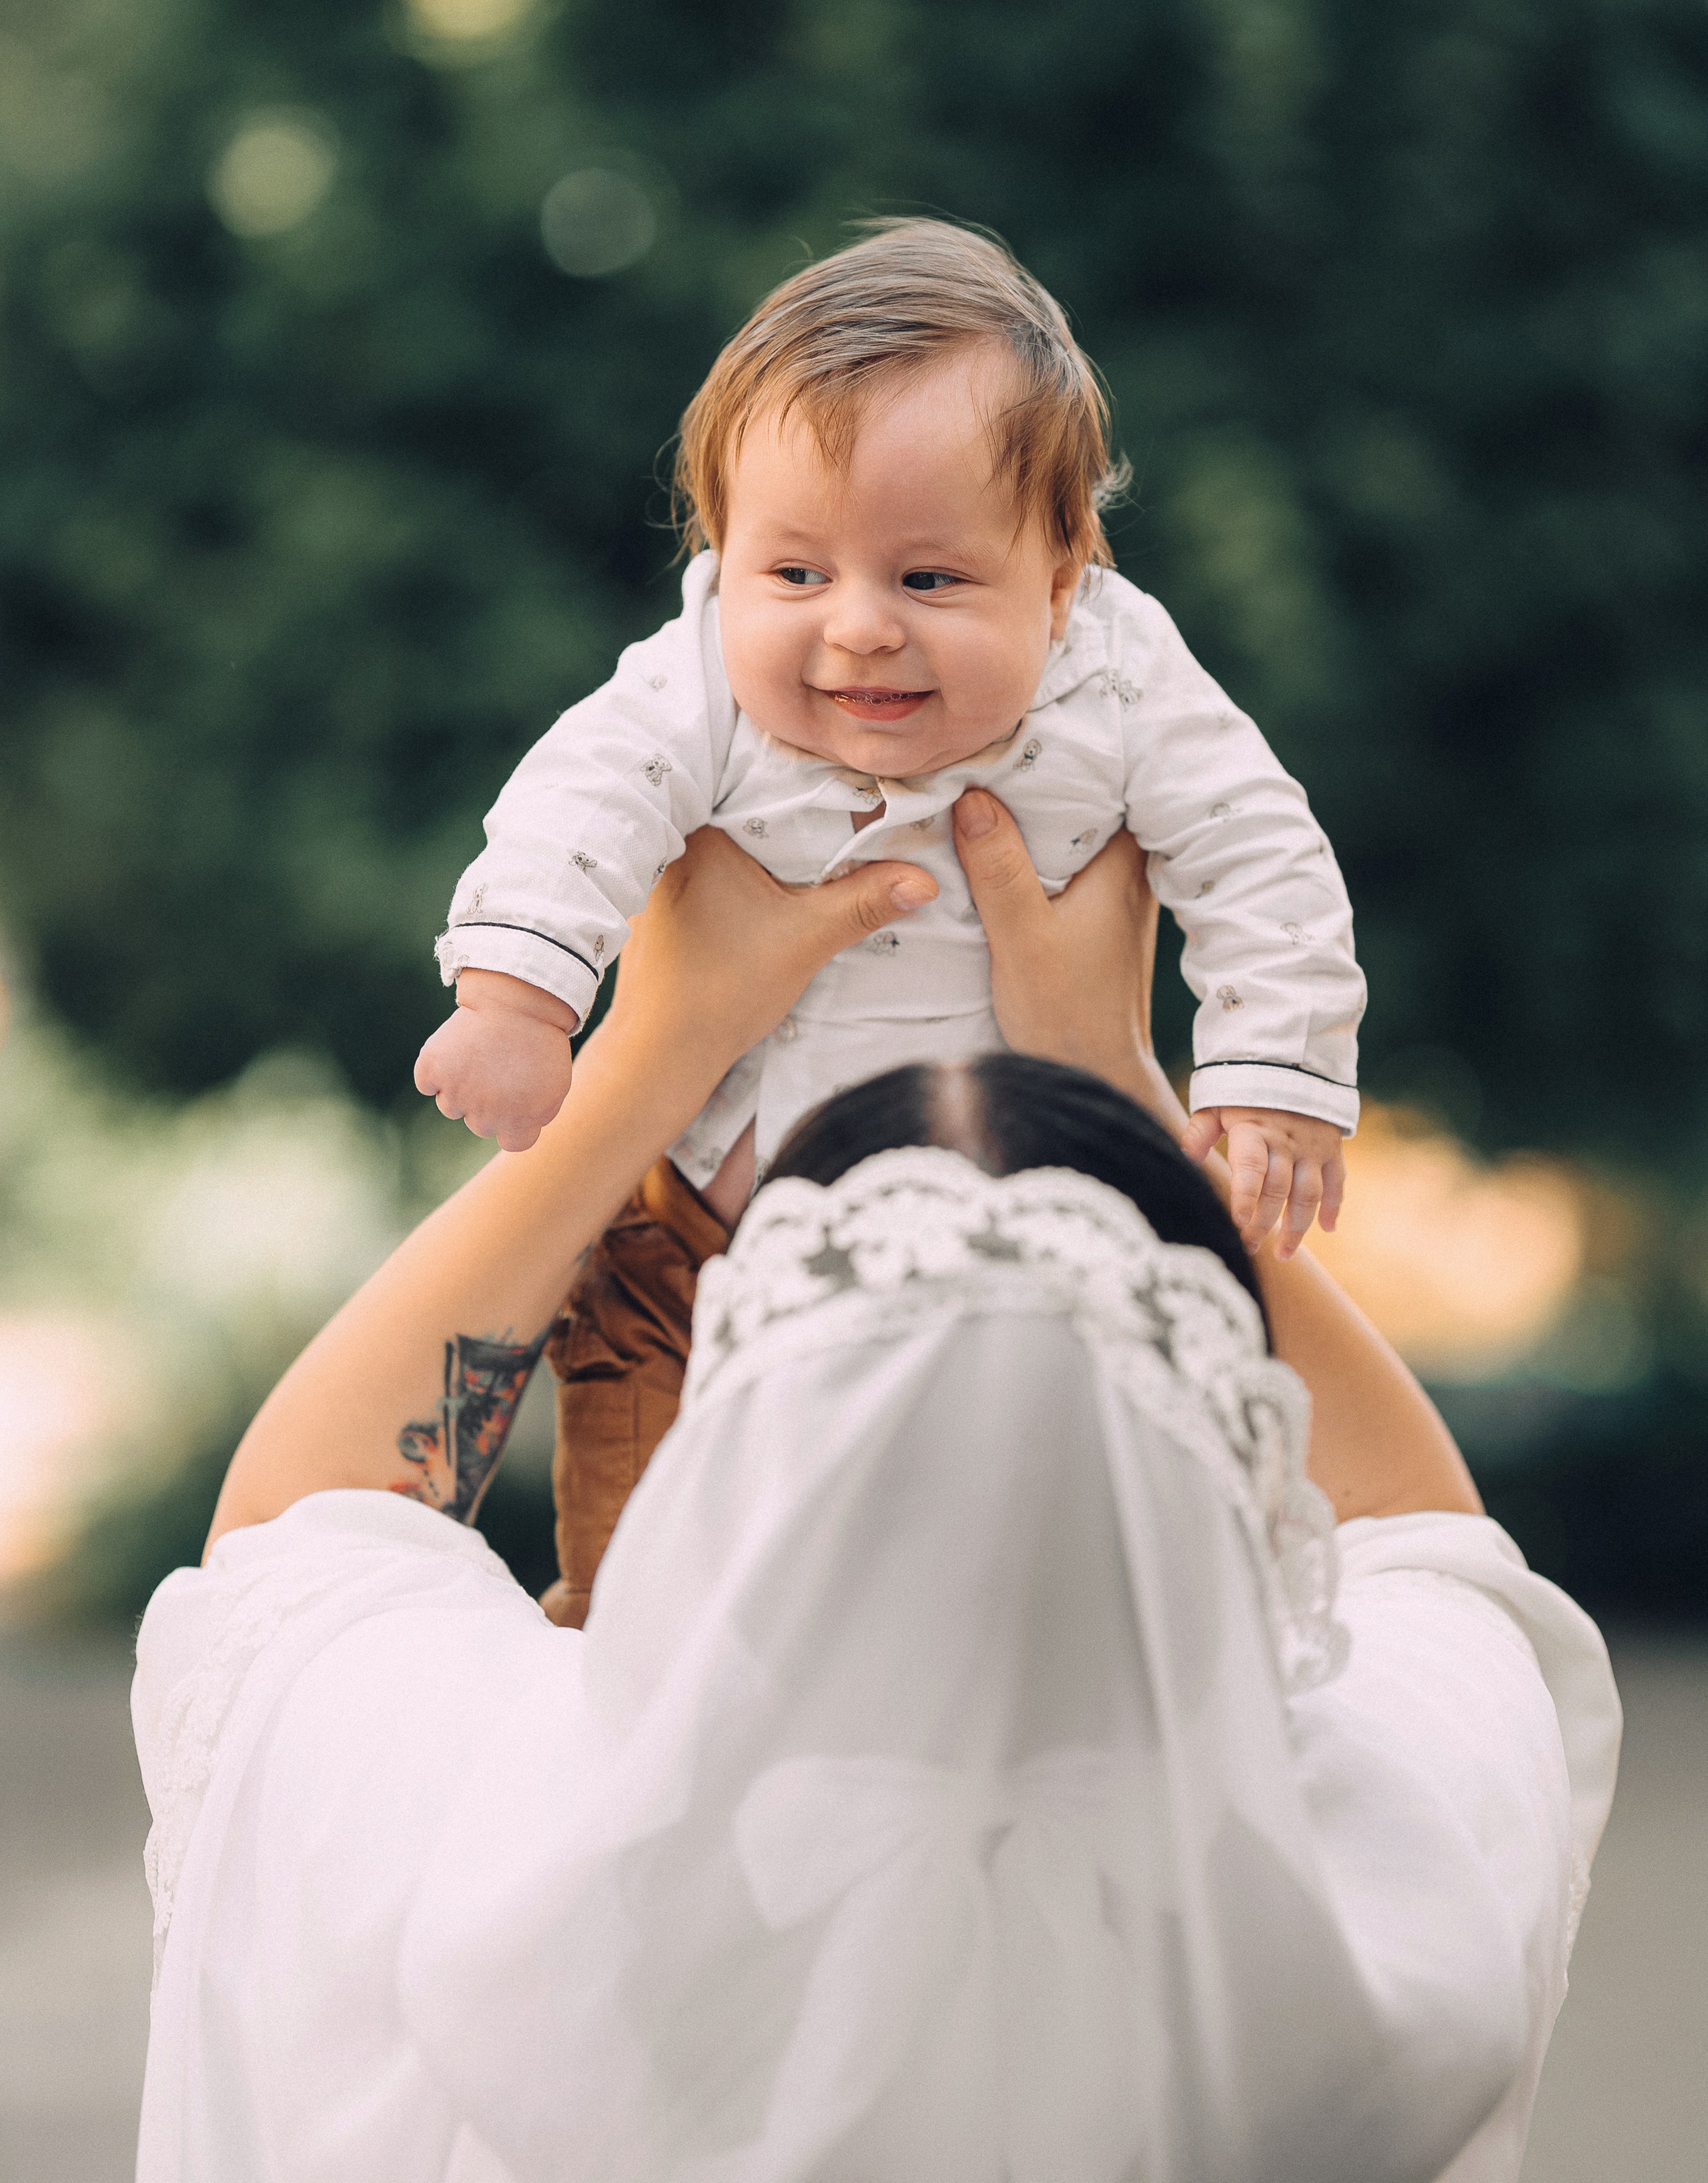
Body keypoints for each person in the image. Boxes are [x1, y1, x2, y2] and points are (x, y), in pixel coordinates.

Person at [131, 806, 1619, 2183]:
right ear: (1213, 1423)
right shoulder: (1388, 1892)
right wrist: (1109, 1079)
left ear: (738, 1443)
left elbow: (298, 1535)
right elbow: (1429, 1546)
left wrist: (650, 1057)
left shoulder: (476, 1849)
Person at [416, 218, 1366, 1620]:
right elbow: (584, 797)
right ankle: (625, 1654)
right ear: (722, 558)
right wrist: (517, 995)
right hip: (703, 1227)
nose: (856, 628)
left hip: (1007, 1226)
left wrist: (1270, 1077)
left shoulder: (1119, 680)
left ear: (1057, 583)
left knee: (1021, 1530)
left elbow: (1256, 851)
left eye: (927, 579)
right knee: (641, 1506)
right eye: (793, 574)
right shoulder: (694, 679)